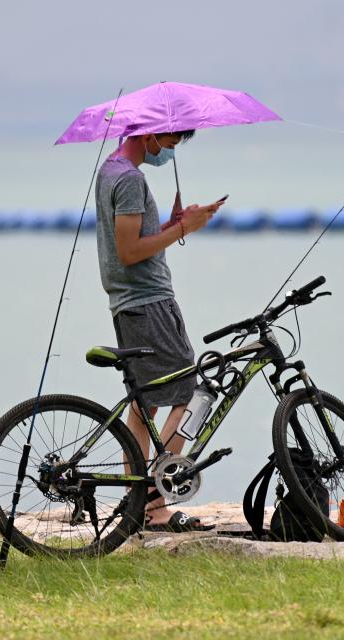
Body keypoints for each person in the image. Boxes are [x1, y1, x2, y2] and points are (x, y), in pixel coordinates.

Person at [94, 129, 224, 532]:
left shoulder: (110, 171)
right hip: (149, 302)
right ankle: (156, 496)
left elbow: (132, 241)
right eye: (170, 142)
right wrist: (188, 228)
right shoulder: (131, 179)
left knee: (144, 404)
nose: (170, 150)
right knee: (193, 392)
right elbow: (131, 253)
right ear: (150, 133)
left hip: (129, 303)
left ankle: (141, 503)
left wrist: (169, 224)